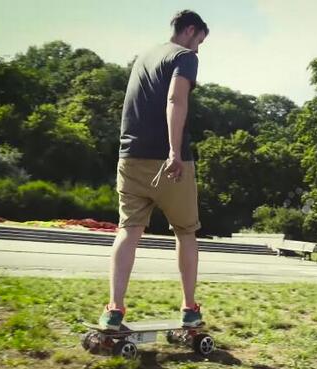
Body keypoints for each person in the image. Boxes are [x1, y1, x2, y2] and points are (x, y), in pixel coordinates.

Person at [98, 10, 209, 330]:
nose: (199, 49)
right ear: (190, 31)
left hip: (129, 156)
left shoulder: (144, 56)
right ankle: (189, 308)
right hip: (168, 160)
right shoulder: (185, 57)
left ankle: (114, 309)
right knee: (186, 231)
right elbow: (176, 99)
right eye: (200, 41)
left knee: (128, 230)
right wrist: (174, 151)